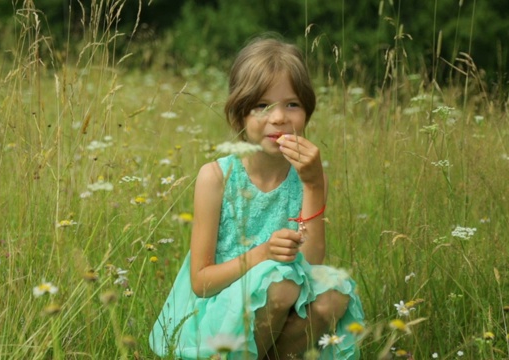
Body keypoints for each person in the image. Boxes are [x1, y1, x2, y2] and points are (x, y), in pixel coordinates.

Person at [149, 35, 365, 359]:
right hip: (218, 313)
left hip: (285, 304)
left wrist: (313, 184)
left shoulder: (309, 176)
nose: (278, 117)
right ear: (240, 116)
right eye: (262, 106)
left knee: (333, 294)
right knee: (279, 285)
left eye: (292, 104)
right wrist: (263, 253)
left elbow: (314, 262)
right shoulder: (217, 177)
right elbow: (201, 282)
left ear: (307, 112)